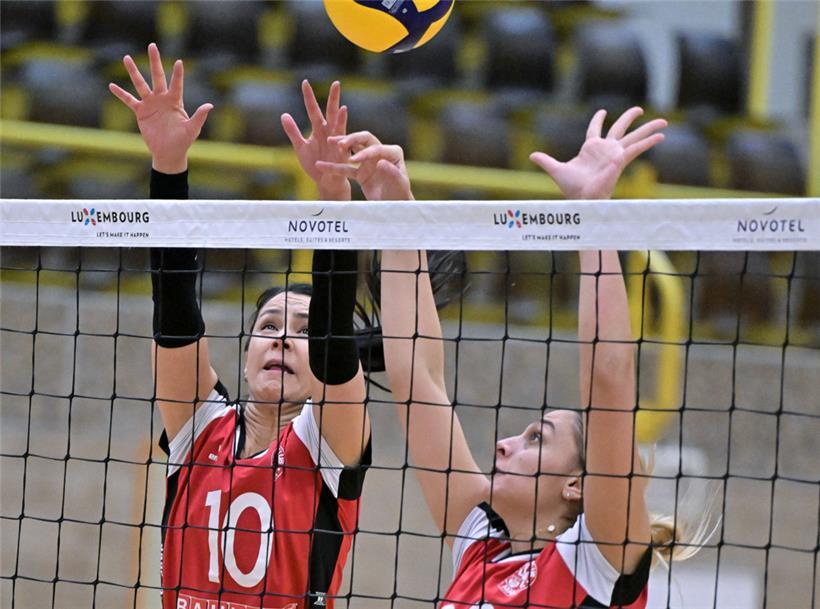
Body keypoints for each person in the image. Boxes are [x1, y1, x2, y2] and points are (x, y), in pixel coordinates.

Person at [317, 110, 709, 608]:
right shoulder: (481, 542)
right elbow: (417, 378)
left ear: (577, 485)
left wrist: (593, 217)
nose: (503, 444)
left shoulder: (597, 558)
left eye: (535, 439)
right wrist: (396, 213)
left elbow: (609, 381)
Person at [109, 43, 370, 609]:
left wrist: (333, 199)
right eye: (270, 325)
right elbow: (175, 313)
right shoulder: (199, 426)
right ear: (248, 347)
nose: (281, 337)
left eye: (300, 330)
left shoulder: (328, 441)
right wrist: (168, 167)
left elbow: (332, 345)